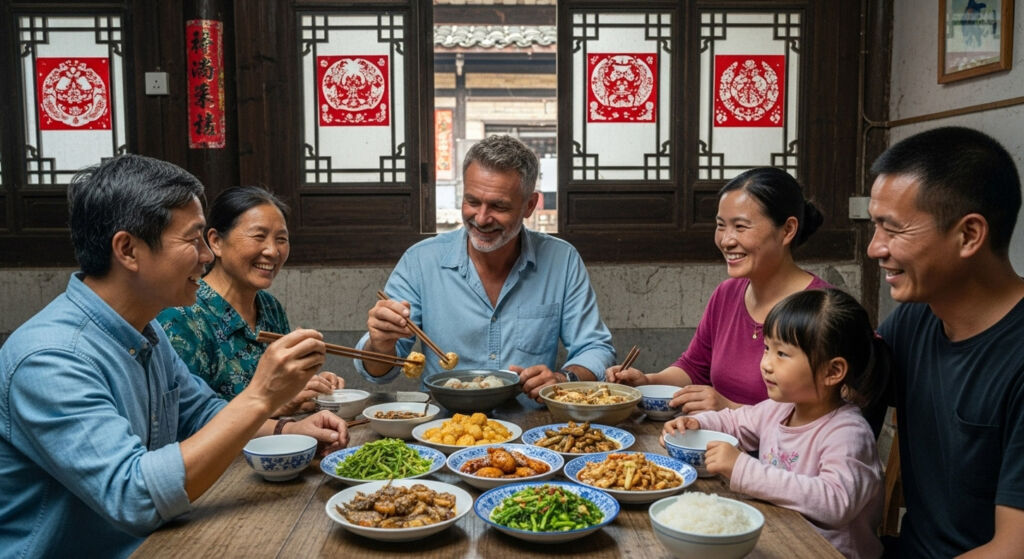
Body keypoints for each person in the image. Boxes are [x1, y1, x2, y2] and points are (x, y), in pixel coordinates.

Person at [0, 155, 349, 558]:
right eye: (194, 239)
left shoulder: (145, 332)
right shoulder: (51, 358)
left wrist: (290, 431)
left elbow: (201, 412)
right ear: (128, 249)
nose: (206, 255)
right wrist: (261, 396)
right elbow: (135, 497)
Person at [355, 135, 616, 400]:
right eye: (472, 202)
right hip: (442, 427)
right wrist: (380, 343)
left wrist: (563, 379)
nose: (481, 218)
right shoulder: (421, 261)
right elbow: (380, 372)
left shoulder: (561, 260)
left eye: (498, 206)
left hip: (530, 425)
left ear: (529, 205)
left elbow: (596, 348)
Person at [868, 126, 1024, 557]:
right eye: (874, 226)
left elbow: (1013, 549)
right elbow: (835, 405)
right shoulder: (917, 317)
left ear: (969, 235)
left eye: (892, 229)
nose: (874, 248)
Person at [663, 288, 890, 558]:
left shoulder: (848, 433)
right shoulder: (778, 409)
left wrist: (743, 468)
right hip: (783, 541)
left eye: (782, 354)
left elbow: (835, 502)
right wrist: (694, 424)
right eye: (767, 349)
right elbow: (733, 422)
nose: (766, 364)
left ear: (833, 371)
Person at [608, 167, 829, 413]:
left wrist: (729, 409)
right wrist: (648, 382)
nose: (726, 240)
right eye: (721, 225)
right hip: (718, 445)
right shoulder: (727, 294)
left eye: (741, 227)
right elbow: (694, 367)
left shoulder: (823, 310)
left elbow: (828, 414)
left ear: (787, 230)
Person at [159, 186, 343, 416]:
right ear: (215, 242)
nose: (272, 251)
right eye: (259, 236)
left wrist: (309, 385)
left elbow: (283, 388)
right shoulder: (183, 315)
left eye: (281, 239)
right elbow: (186, 418)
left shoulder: (269, 307)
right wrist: (276, 404)